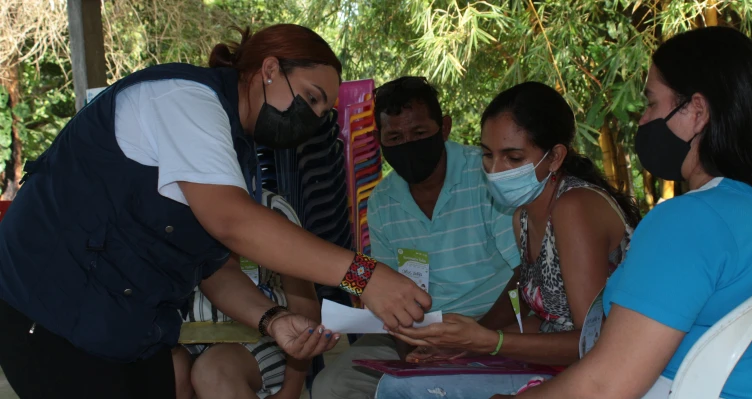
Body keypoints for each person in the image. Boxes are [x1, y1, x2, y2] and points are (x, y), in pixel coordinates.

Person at [0, 24, 430, 399]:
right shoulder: (186, 100)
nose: (315, 119)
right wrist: (364, 276)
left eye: (324, 111)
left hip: (124, 332)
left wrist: (274, 319)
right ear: (269, 69)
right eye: (312, 98)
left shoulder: (233, 154)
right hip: (50, 317)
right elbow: (235, 223)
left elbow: (214, 269)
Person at [489, 26, 752, 399]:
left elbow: (604, 386)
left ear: (697, 111)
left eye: (651, 103)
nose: (641, 121)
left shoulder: (689, 222)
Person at [375, 81, 641, 398]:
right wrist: (464, 349)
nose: (496, 170)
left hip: (607, 377)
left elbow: (593, 342)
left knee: (403, 390)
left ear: (555, 157)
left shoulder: (574, 208)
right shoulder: (523, 215)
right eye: (488, 155)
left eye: (512, 158)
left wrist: (490, 343)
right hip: (555, 367)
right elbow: (544, 321)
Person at [312, 76, 521, 399]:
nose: (407, 144)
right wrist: (411, 350)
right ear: (380, 139)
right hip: (416, 333)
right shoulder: (382, 201)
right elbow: (382, 287)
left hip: (495, 325)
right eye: (394, 137)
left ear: (445, 128)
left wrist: (473, 340)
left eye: (419, 133)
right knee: (332, 386)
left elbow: (524, 273)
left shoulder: (485, 175)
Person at [173, 191, 317, 399]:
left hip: (262, 338)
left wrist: (292, 388)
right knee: (165, 374)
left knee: (214, 372)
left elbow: (305, 306)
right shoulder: (165, 209)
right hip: (182, 338)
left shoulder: (270, 208)